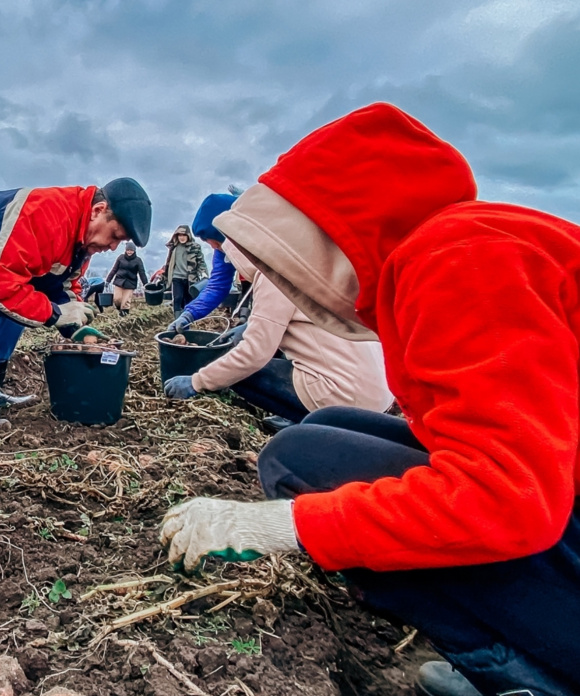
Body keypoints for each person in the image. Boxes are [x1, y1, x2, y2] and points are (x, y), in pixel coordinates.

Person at [160, 103, 579, 696]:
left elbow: (509, 498)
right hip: (562, 500)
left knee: (304, 469)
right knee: (318, 438)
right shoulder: (451, 247)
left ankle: (525, 674)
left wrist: (291, 526)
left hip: (550, 516)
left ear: (327, 229)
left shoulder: (460, 258)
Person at [0, 179, 152, 429]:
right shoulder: (45, 214)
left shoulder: (81, 244)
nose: (113, 247)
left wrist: (76, 328)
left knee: (17, 311)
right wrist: (54, 313)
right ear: (98, 210)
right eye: (115, 236)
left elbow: (63, 286)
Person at [162, 239, 393, 428]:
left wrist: (197, 381)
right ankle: (302, 414)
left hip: (347, 397)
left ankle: (309, 421)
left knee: (239, 372)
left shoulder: (272, 276)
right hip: (379, 389)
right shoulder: (306, 263)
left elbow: (254, 355)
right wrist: (248, 326)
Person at [167, 193, 239, 333]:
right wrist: (189, 314)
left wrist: (253, 325)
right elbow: (217, 285)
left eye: (217, 242)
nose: (213, 247)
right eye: (207, 242)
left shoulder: (265, 243)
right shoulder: (222, 251)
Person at [155, 225, 208, 317]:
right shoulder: (174, 248)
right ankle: (177, 320)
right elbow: (168, 264)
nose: (182, 237)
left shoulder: (195, 247)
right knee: (177, 298)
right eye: (180, 235)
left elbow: (201, 262)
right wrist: (161, 277)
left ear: (188, 236)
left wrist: (203, 272)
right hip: (176, 277)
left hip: (190, 278)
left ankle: (187, 320)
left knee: (188, 300)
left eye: (184, 235)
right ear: (176, 236)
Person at [104, 242, 151, 316]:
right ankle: (119, 309)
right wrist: (108, 280)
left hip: (130, 283)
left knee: (126, 301)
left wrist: (145, 284)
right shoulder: (120, 258)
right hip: (119, 281)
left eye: (131, 250)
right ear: (125, 250)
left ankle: (124, 314)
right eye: (128, 250)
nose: (129, 252)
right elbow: (114, 269)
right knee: (117, 299)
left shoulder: (138, 260)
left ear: (134, 251)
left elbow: (142, 273)